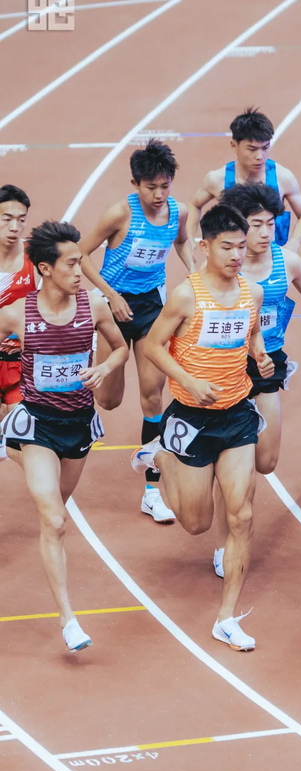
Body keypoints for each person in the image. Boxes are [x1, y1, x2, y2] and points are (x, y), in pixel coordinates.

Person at [132, 205, 274, 651]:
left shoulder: (252, 293)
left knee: (242, 515)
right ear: (205, 246)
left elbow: (252, 333)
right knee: (196, 523)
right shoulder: (185, 295)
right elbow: (153, 346)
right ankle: (158, 455)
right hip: (191, 418)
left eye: (241, 246)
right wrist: (189, 380)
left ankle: (226, 617)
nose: (237, 255)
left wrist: (259, 354)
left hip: (236, 416)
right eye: (227, 247)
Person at [0, 221, 128, 651]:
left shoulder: (95, 306)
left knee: (54, 511)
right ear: (45, 268)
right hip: (37, 424)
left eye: (80, 261)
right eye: (71, 264)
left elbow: (121, 347)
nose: (80, 270)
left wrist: (104, 368)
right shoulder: (18, 313)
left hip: (78, 425)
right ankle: (68, 619)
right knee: (55, 520)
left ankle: (8, 445)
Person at [209, 182, 301, 577]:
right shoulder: (225, 266)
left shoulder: (287, 262)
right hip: (226, 366)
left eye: (270, 224)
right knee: (236, 466)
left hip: (267, 365)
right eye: (255, 224)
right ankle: (226, 542)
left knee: (267, 461)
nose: (264, 232)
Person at [78, 139, 191, 525]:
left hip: (150, 309)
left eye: (165, 186)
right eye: (151, 187)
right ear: (135, 184)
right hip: (112, 308)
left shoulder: (178, 212)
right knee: (108, 400)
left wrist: (194, 273)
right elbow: (81, 253)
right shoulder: (119, 214)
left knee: (152, 396)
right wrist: (110, 295)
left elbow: (182, 242)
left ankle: (152, 492)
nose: (159, 195)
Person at [187, 107, 301, 254]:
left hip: (273, 257)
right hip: (233, 258)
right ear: (234, 146)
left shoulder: (283, 178)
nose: (260, 156)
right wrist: (189, 238)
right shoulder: (217, 179)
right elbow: (194, 205)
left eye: (265, 148)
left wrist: (295, 243)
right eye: (252, 149)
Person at [0, 186, 36, 451]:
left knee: (25, 439)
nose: (14, 227)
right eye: (7, 219)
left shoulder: (35, 258)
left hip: (19, 364)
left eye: (21, 220)